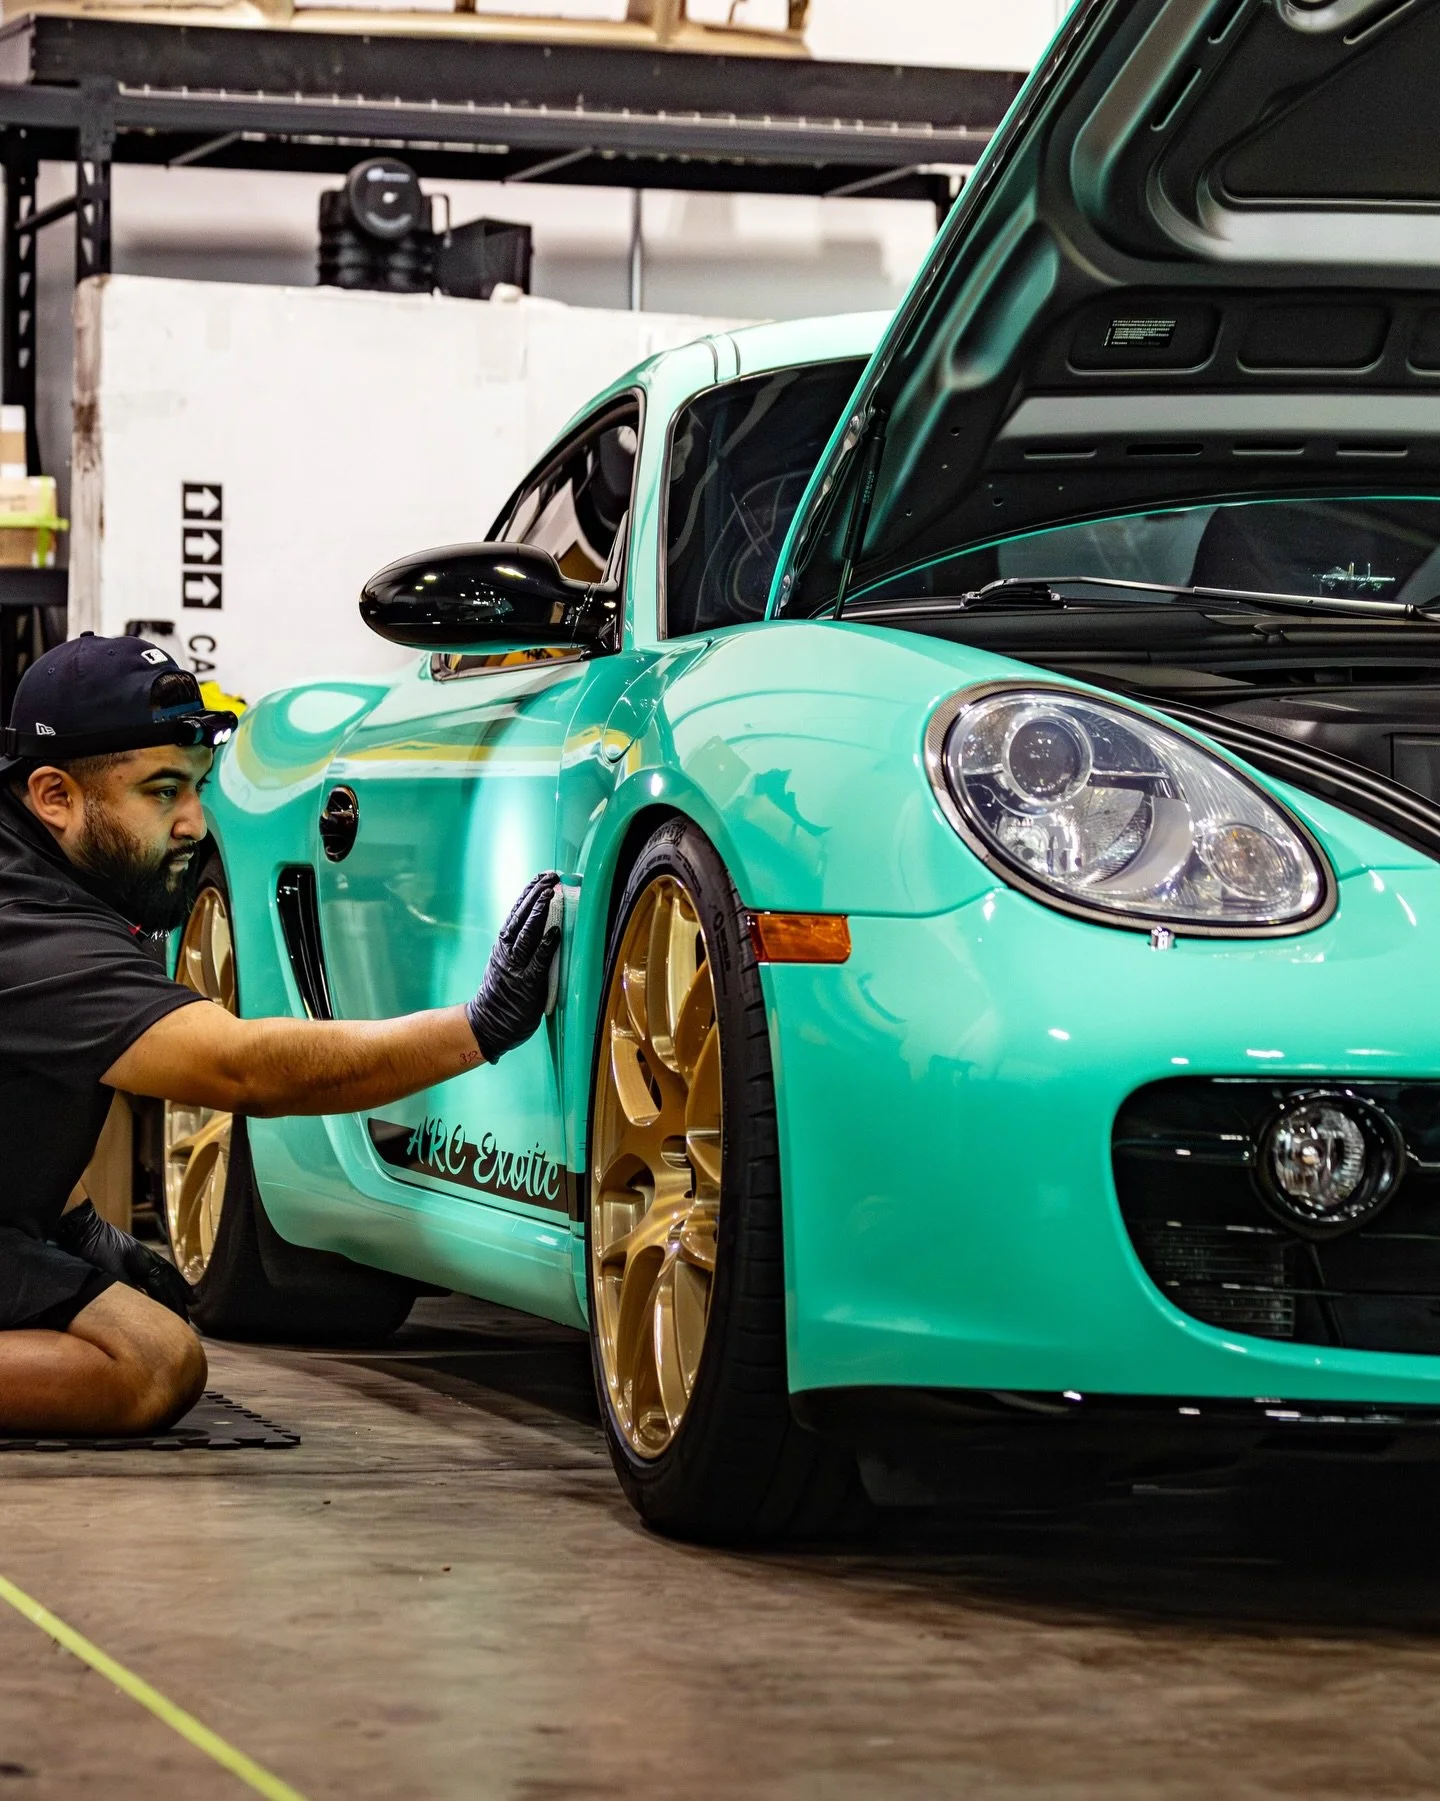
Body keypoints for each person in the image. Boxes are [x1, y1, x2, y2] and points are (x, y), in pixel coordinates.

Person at [0, 633, 560, 1436]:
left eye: (196, 787)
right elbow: (241, 1070)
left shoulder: (34, 871)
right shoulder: (33, 928)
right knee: (153, 1362)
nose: (194, 823)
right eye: (162, 793)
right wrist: (477, 1028)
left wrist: (76, 1223)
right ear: (54, 795)